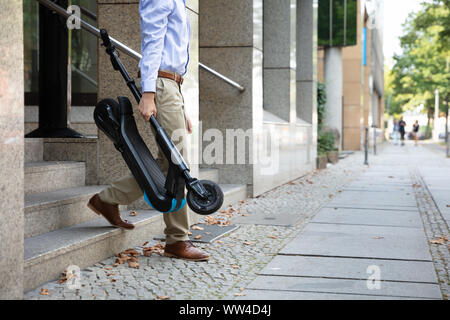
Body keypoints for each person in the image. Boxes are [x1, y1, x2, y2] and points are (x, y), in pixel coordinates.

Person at [87, 0, 209, 261]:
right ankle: (177, 240)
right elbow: (153, 44)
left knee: (170, 164)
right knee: (178, 164)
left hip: (171, 86)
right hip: (162, 85)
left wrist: (179, 103)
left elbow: (172, 51)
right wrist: (151, 94)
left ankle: (108, 199)